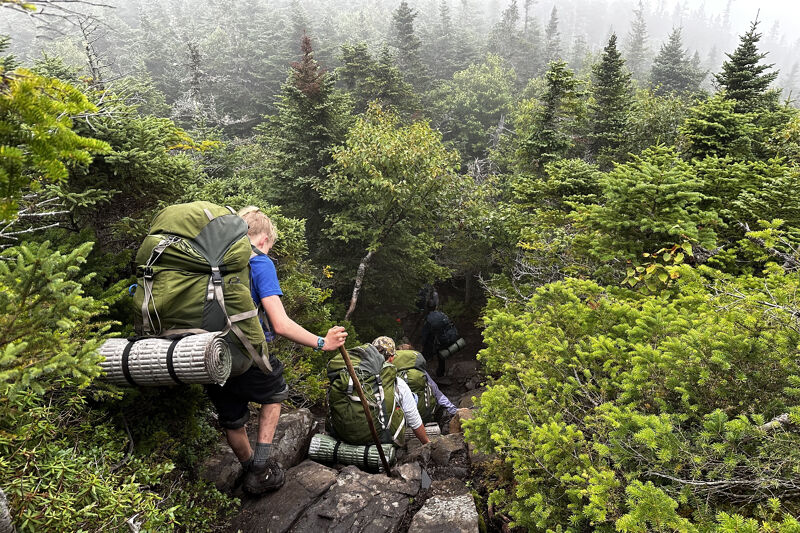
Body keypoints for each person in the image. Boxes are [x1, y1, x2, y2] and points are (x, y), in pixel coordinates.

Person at [206, 206, 348, 495]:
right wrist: (323, 342)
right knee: (275, 389)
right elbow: (280, 324)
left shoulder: (210, 262)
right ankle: (260, 469)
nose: (269, 250)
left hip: (204, 351)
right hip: (242, 350)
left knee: (232, 417)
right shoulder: (259, 262)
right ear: (262, 240)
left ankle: (252, 470)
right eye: (270, 245)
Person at [371, 337, 430, 445]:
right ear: (392, 358)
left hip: (355, 435)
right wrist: (427, 443)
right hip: (385, 439)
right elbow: (414, 420)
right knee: (413, 398)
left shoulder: (359, 377)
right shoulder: (397, 383)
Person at [396, 342, 458, 431]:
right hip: (423, 417)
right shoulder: (421, 373)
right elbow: (437, 393)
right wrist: (453, 409)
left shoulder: (391, 372)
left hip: (400, 420)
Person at [419, 308, 462, 376]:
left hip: (444, 339)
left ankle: (426, 371)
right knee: (440, 352)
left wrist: (423, 344)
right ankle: (441, 372)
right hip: (452, 336)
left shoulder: (429, 320)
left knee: (433, 352)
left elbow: (425, 335)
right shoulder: (441, 314)